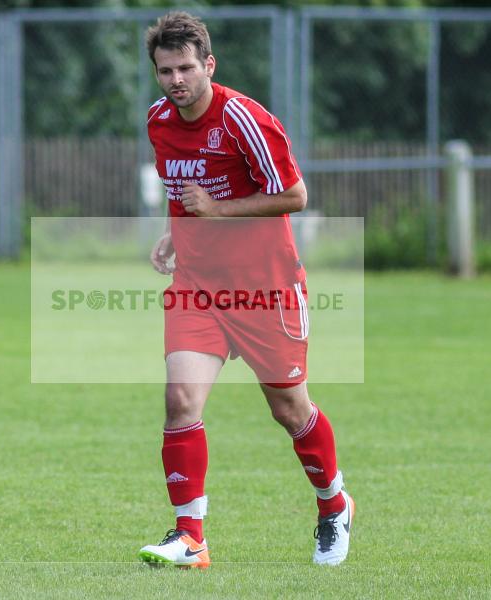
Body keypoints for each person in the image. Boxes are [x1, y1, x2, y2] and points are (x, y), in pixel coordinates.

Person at [138, 11, 354, 569]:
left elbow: (296, 196)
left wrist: (216, 209)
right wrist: (173, 231)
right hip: (199, 288)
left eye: (186, 68)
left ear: (209, 64)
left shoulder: (243, 119)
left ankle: (333, 505)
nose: (176, 80)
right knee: (180, 399)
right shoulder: (159, 120)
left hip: (266, 290)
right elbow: (183, 188)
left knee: (289, 410)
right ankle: (191, 538)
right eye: (166, 70)